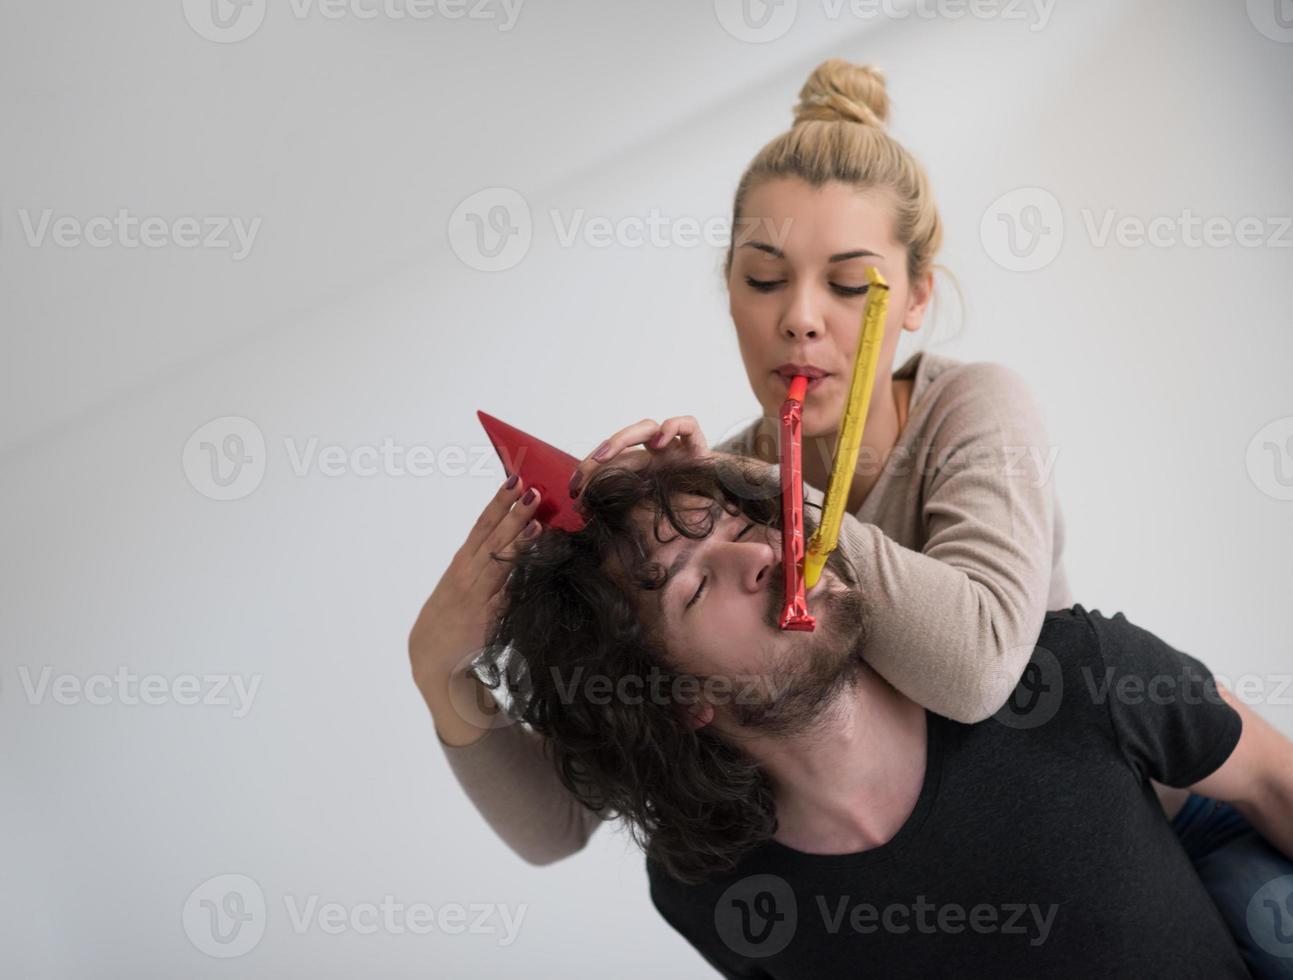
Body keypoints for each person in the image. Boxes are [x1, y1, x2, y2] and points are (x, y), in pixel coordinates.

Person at [407, 58, 1293, 971]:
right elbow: (559, 826)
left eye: (847, 286)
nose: (799, 319)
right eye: (762, 281)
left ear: (914, 299)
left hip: (1158, 814)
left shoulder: (964, 411)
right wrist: (440, 672)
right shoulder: (722, 512)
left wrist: (748, 487)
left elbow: (976, 671)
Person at [468, 454, 1293, 977]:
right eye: (693, 583)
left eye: (742, 523)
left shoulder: (1075, 670)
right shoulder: (706, 893)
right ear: (680, 699)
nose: (762, 555)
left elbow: (1274, 783)